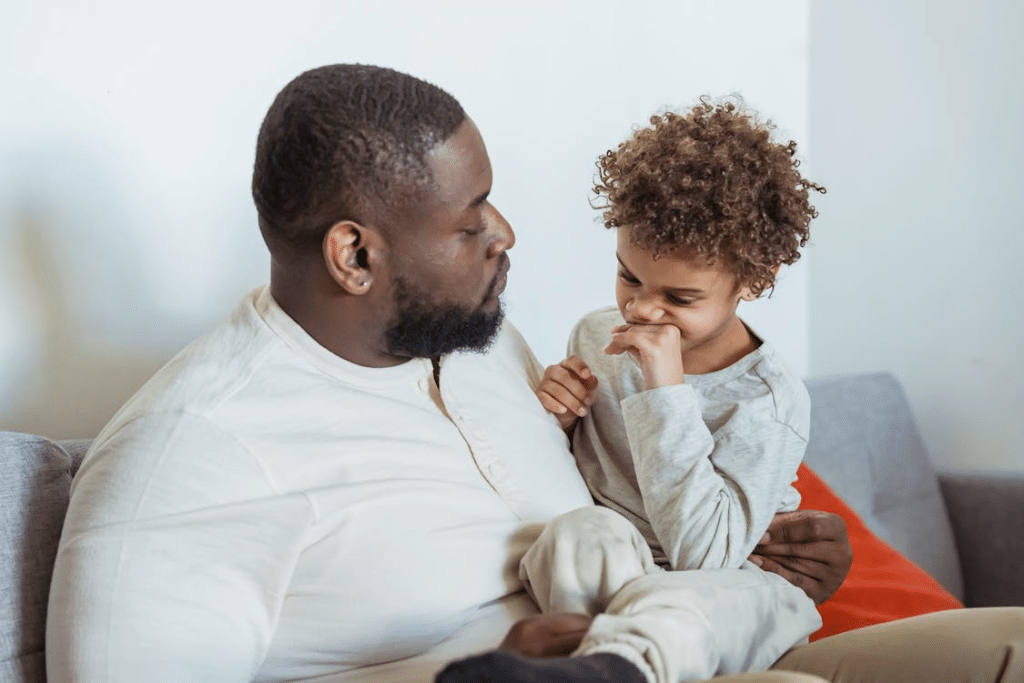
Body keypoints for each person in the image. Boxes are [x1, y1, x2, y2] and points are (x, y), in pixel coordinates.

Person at [46, 64, 1023, 683]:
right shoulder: (187, 462)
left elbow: (660, 499)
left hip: (692, 625)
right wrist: (487, 668)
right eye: (470, 221)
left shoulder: (477, 340)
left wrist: (781, 553)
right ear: (354, 255)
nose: (506, 235)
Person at [519, 101, 824, 638]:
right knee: (578, 533)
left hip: (724, 587)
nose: (640, 310)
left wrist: (665, 391)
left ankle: (615, 659)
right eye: (629, 277)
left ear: (753, 281)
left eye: (680, 298)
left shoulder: (766, 401)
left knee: (681, 611)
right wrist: (560, 420)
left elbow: (705, 557)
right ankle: (587, 664)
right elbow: (580, 474)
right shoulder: (596, 336)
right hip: (620, 571)